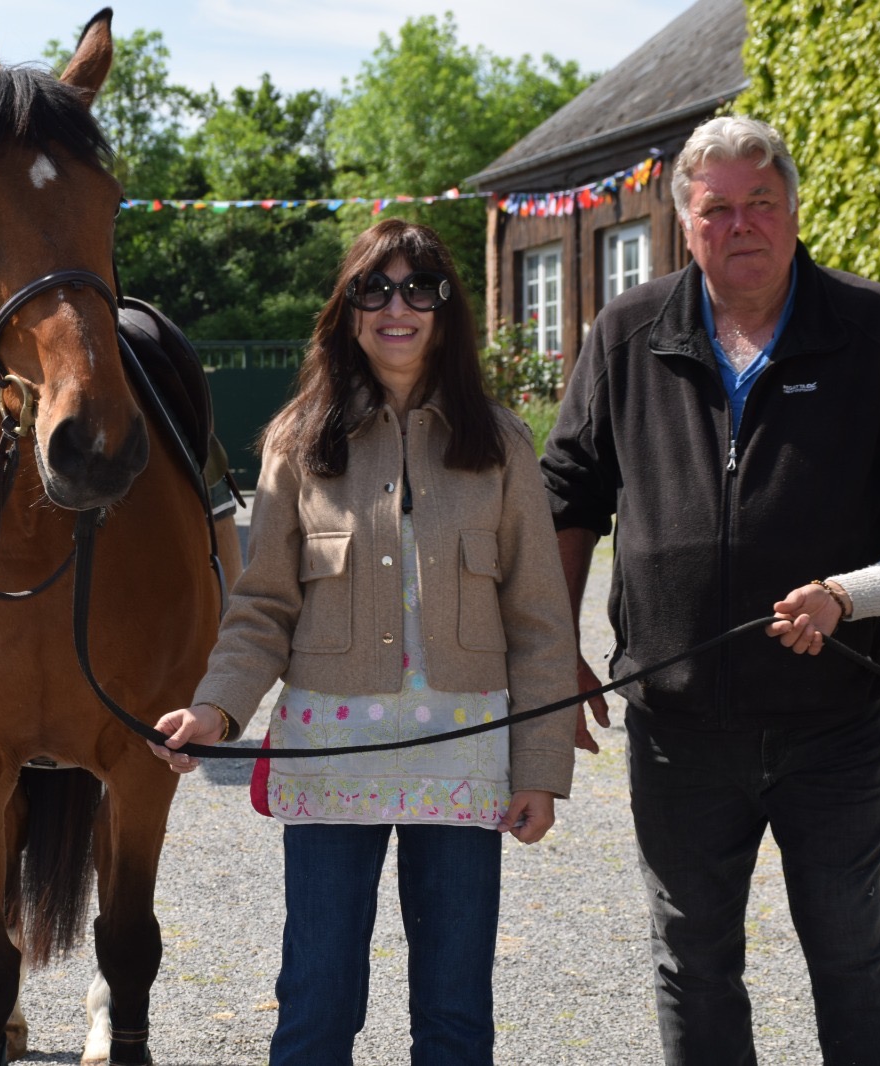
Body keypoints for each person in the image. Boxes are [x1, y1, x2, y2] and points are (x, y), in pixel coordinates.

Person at [150, 218, 578, 1064]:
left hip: (462, 763)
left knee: (456, 1013)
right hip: (331, 763)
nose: (397, 307)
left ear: (447, 312)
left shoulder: (502, 446)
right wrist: (215, 710)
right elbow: (263, 608)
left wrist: (539, 770)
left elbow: (539, 623)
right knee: (316, 1003)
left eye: (419, 289)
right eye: (373, 290)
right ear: (347, 312)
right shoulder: (295, 446)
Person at [542, 114, 880, 1064]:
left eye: (761, 204)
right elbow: (567, 491)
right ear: (684, 224)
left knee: (853, 957)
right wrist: (556, 645)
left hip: (839, 721)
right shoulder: (627, 333)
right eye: (717, 209)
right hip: (674, 725)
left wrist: (848, 596)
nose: (742, 226)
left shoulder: (871, 329)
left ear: (795, 210)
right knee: (692, 960)